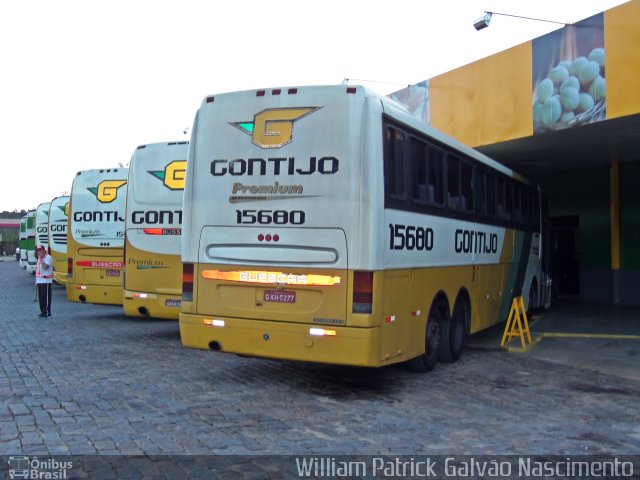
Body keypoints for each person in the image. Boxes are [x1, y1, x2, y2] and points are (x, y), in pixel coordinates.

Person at [35, 245, 53, 318]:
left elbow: (45, 267)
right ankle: (43, 312)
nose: (38, 252)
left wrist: (41, 259)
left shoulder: (48, 257)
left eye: (40, 250)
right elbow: (38, 270)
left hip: (46, 281)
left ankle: (48, 313)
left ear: (43, 250)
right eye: (37, 251)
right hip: (40, 280)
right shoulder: (40, 259)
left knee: (46, 298)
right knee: (41, 298)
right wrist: (36, 281)